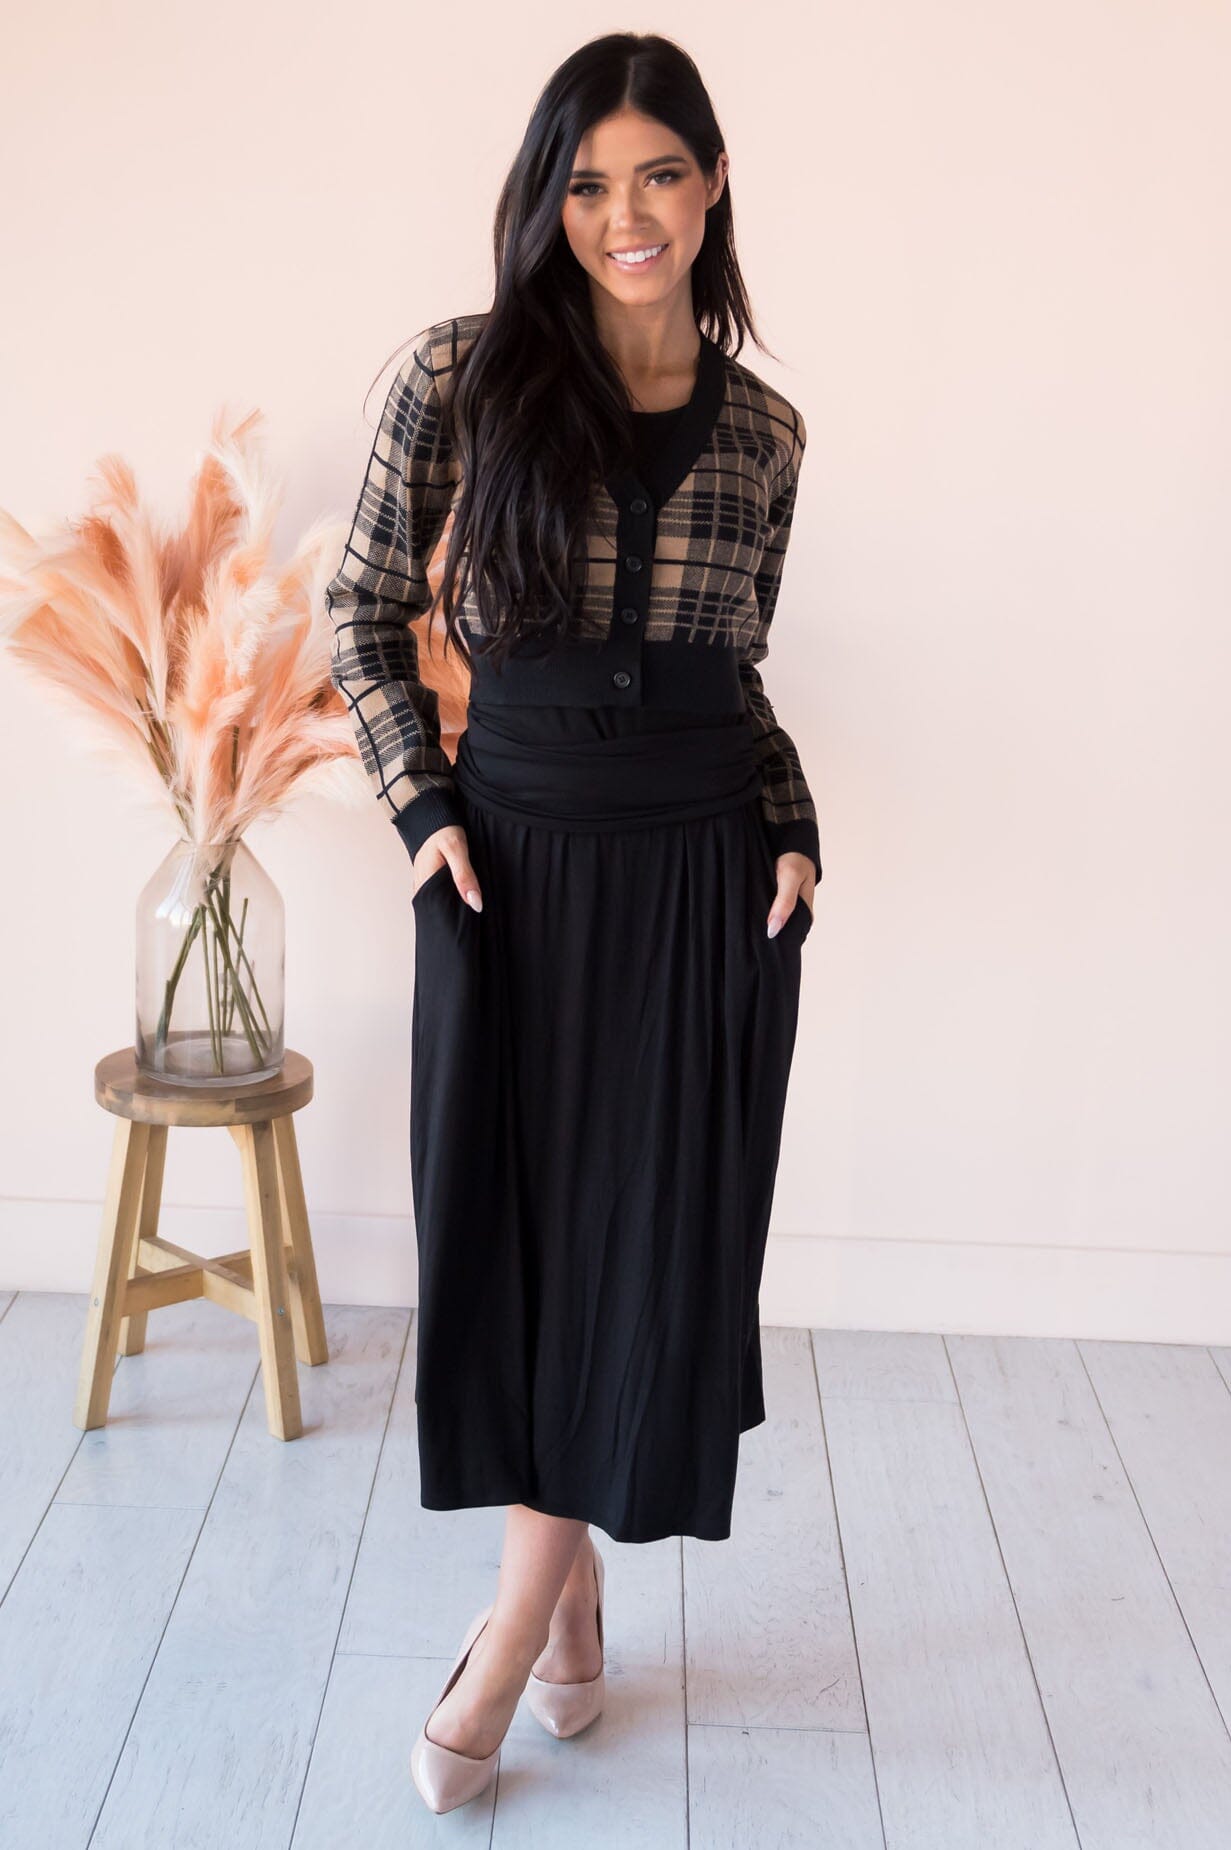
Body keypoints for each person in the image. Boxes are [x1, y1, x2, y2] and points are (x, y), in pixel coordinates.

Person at [324, 31, 822, 1815]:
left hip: (699, 873)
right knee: (523, 1242)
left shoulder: (766, 435)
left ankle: (517, 1620)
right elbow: (360, 612)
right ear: (550, 201)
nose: (628, 215)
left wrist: (791, 822)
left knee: (646, 1248)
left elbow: (737, 674)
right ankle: (568, 1592)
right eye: (590, 182)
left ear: (713, 184)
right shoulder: (458, 379)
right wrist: (423, 813)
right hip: (512, 869)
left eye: (660, 173)